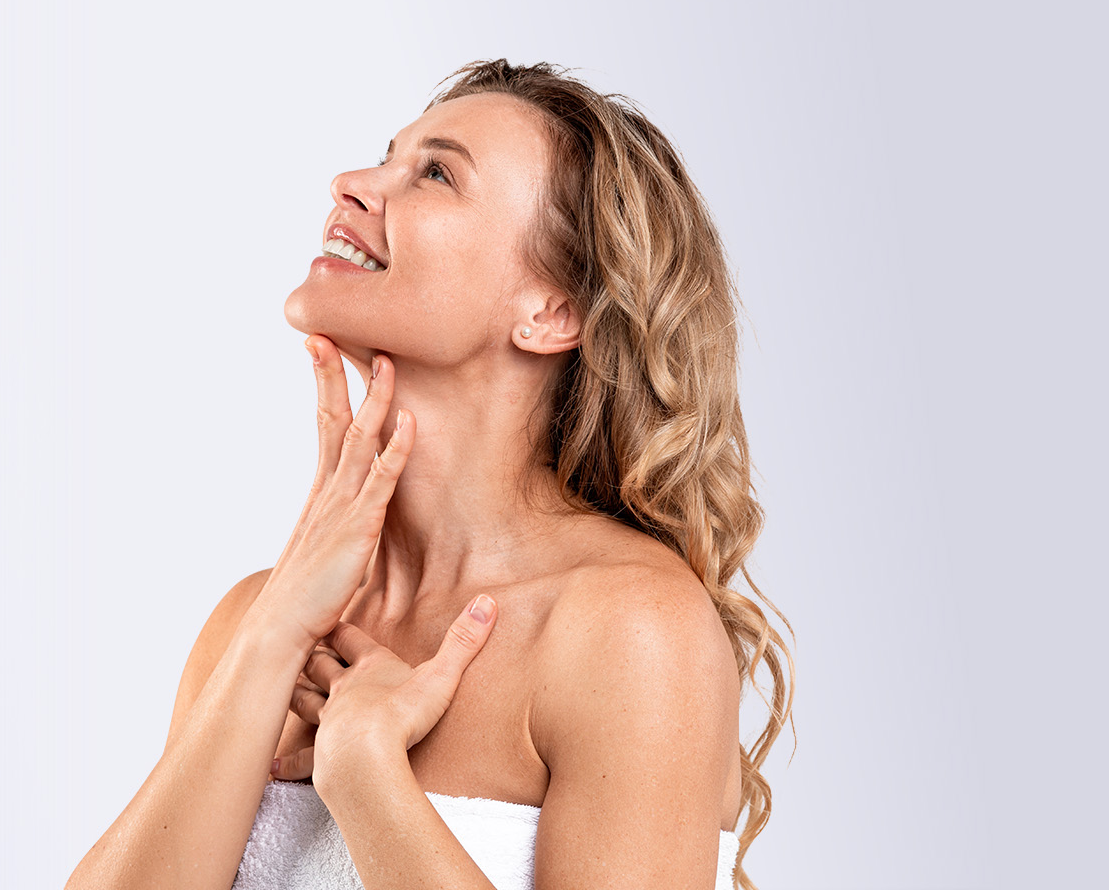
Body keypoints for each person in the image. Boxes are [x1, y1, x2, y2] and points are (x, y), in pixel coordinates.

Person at [66, 60, 794, 890]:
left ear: (552, 312)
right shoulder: (256, 624)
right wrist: (271, 641)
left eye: (436, 174)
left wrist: (368, 775)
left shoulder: (629, 632)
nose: (352, 184)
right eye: (387, 156)